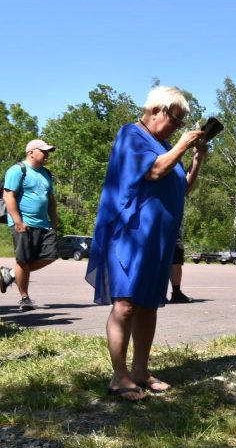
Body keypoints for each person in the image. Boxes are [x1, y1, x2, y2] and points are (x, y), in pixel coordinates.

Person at [86, 86, 208, 401]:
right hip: (130, 233)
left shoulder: (165, 144)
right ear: (156, 109)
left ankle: (140, 370)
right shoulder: (132, 135)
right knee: (126, 304)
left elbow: (182, 188)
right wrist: (181, 145)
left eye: (182, 124)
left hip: (157, 239)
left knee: (149, 304)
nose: (178, 127)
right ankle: (119, 376)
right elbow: (154, 171)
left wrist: (196, 160)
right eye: (176, 119)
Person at [3, 139, 58, 312]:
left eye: (48, 152)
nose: (47, 155)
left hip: (43, 223)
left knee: (51, 255)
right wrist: (18, 221)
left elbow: (50, 199)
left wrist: (54, 220)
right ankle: (24, 298)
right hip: (23, 223)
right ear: (31, 152)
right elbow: (9, 196)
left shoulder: (46, 174)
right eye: (44, 151)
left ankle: (10, 274)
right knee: (24, 260)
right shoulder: (18, 170)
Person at [167, 152, 206, 304]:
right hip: (156, 219)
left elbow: (185, 187)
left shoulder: (177, 168)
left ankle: (176, 292)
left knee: (176, 258)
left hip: (174, 222)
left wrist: (198, 157)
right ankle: (154, 291)